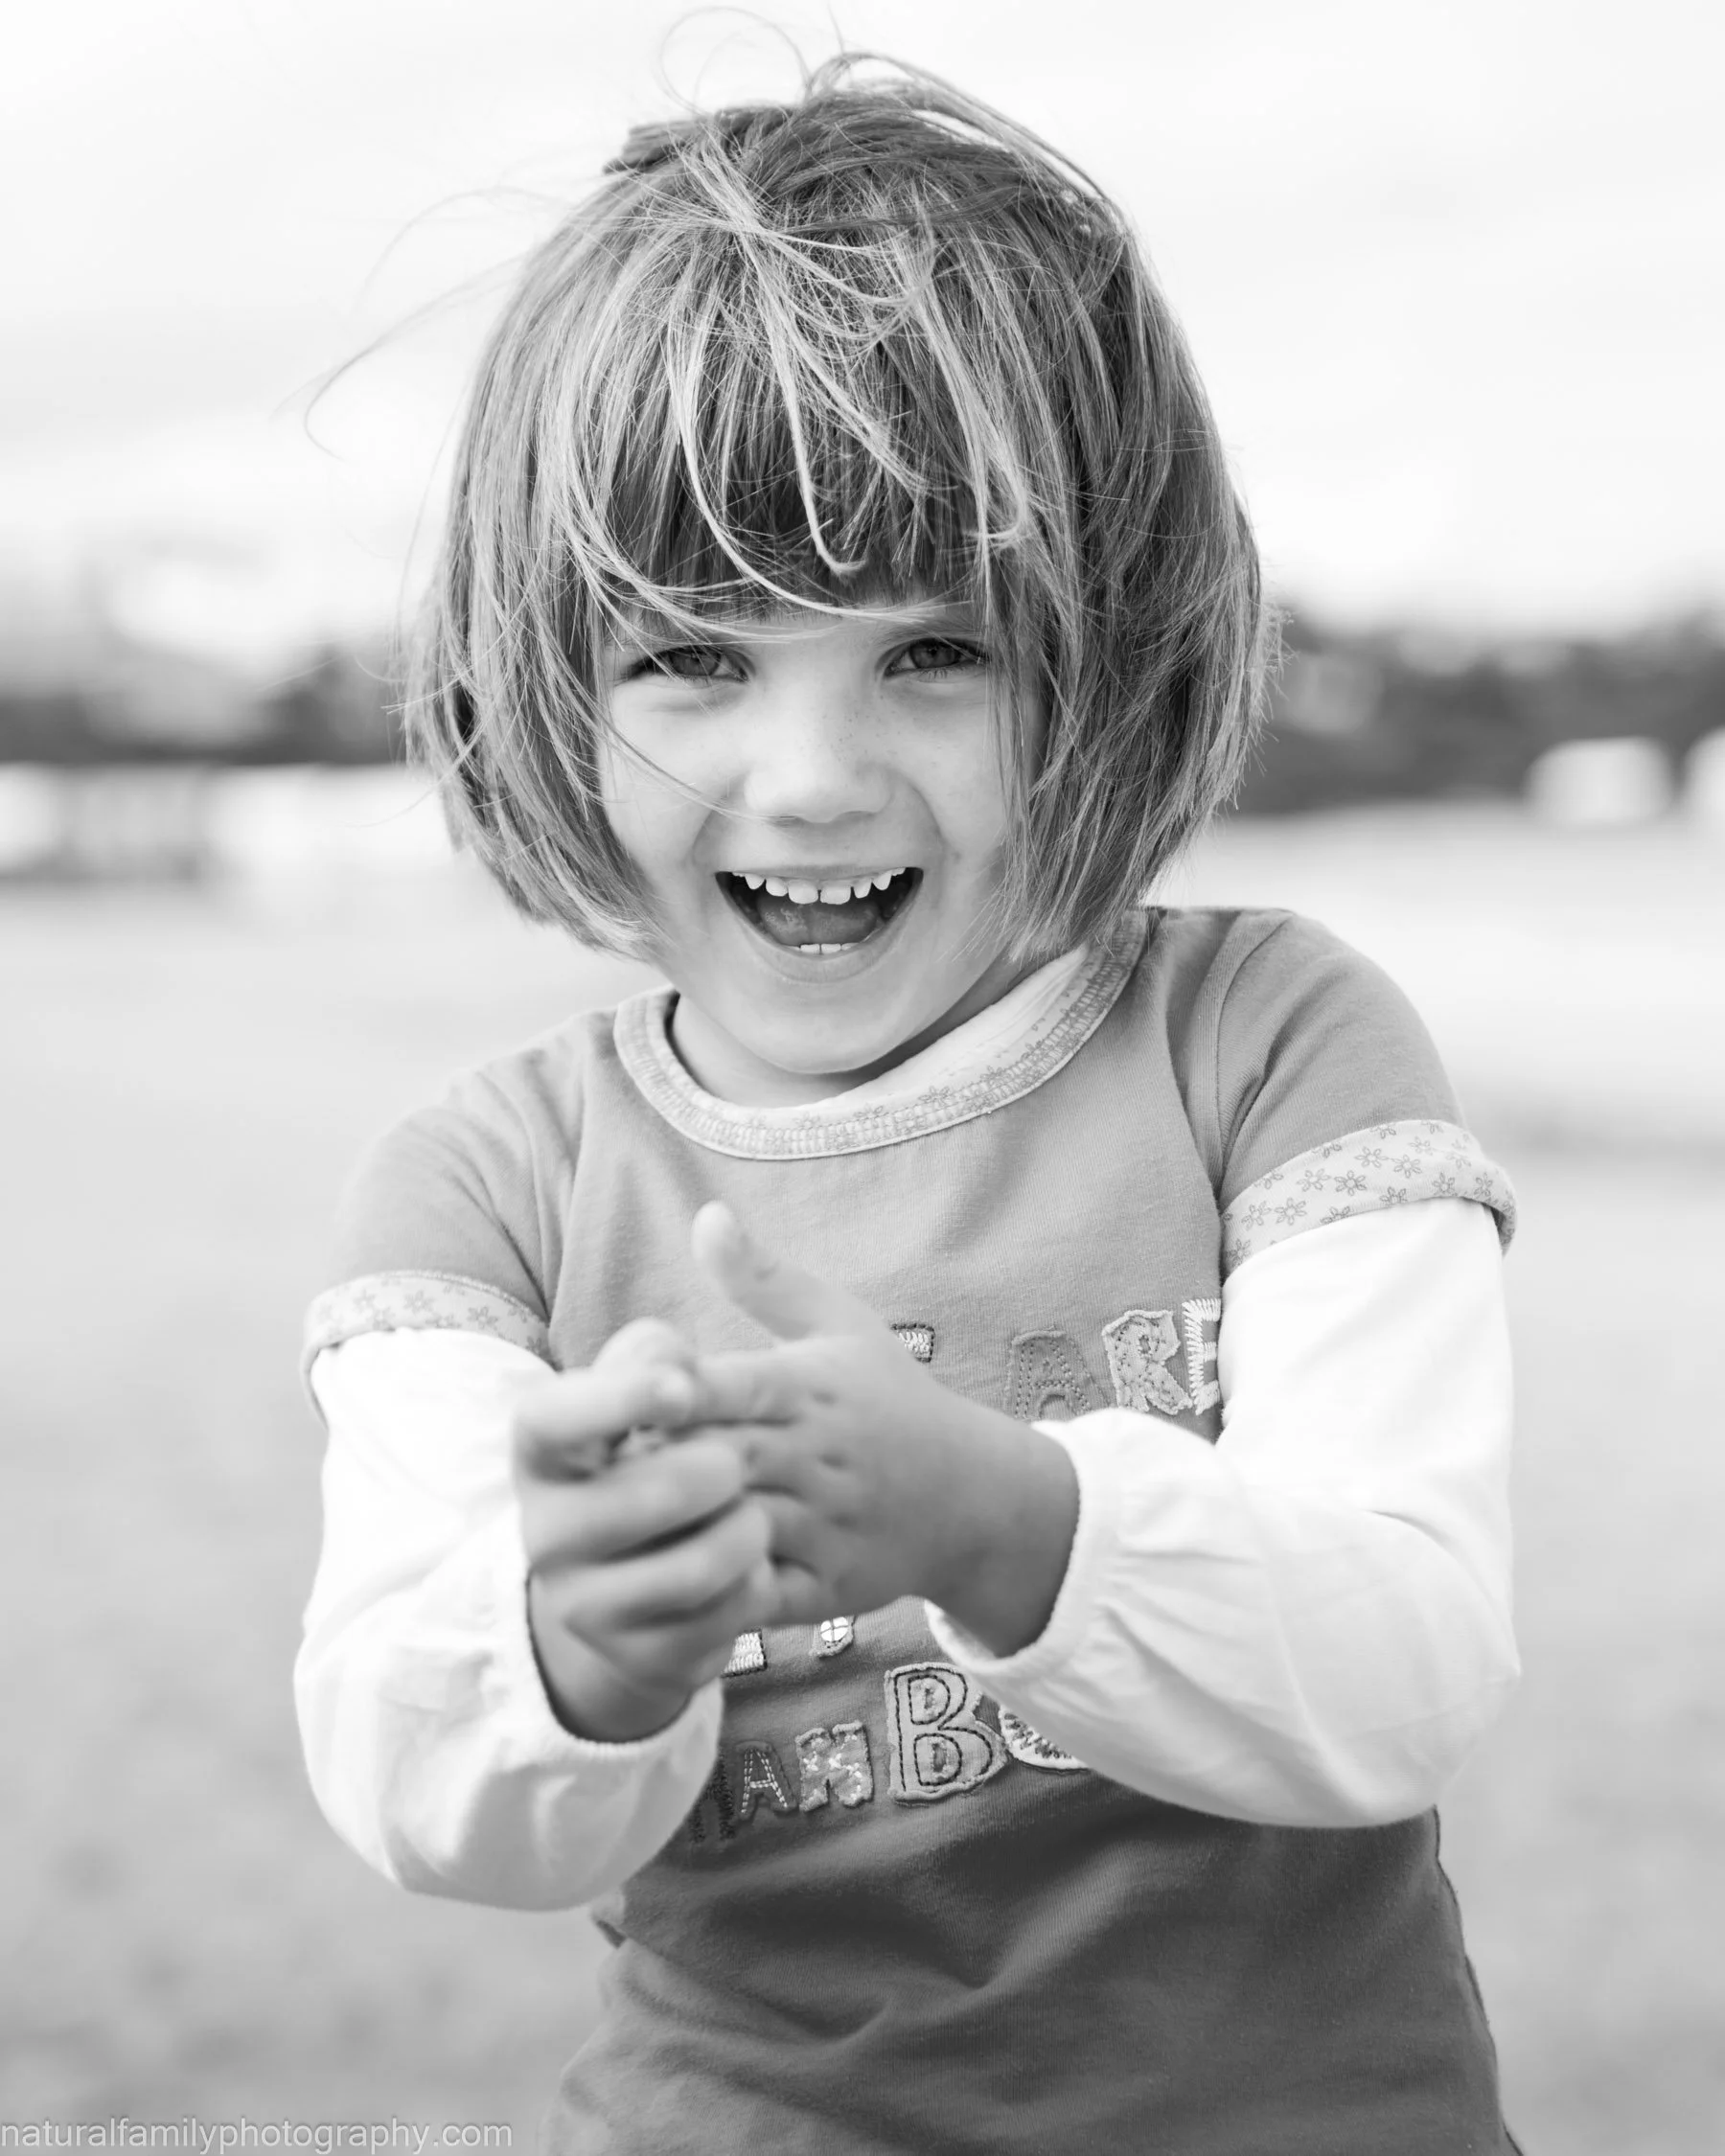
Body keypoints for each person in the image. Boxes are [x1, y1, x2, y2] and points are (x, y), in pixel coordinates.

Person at [296, 56, 1523, 2156]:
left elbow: (1407, 1661)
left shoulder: (1274, 1047)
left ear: (1108, 655)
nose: (813, 778)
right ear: (543, 682)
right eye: (693, 656)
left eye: (935, 648)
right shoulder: (485, 1193)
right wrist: (577, 1649)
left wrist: (1004, 1520)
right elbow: (412, 1782)